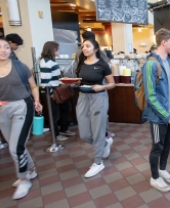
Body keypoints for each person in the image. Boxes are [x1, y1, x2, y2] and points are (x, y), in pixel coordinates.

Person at [142, 28, 170, 192]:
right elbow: (150, 96)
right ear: (164, 42)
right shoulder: (150, 64)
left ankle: (162, 169)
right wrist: (166, 115)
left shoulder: (169, 62)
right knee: (157, 147)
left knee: (167, 144)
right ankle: (154, 177)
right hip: (158, 117)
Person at [0, 38, 43, 200]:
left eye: (6, 47)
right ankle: (30, 169)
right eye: (0, 48)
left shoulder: (20, 67)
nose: (3, 50)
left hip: (23, 107)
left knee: (15, 147)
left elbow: (33, 86)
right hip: (3, 110)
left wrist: (37, 100)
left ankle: (24, 178)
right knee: (14, 144)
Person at [75, 39, 115, 178]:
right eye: (83, 46)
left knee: (97, 130)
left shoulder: (102, 65)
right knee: (84, 134)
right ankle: (104, 143)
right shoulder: (81, 63)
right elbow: (80, 79)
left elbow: (112, 83)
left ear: (95, 49)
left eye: (87, 46)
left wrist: (102, 86)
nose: (84, 48)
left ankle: (98, 162)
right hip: (82, 97)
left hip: (99, 98)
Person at [39, 41, 75, 141]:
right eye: (57, 49)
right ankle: (56, 135)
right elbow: (45, 81)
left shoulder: (51, 61)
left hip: (57, 90)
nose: (59, 51)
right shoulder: (46, 62)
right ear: (52, 49)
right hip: (52, 91)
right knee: (54, 115)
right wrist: (49, 93)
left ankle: (64, 129)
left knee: (66, 109)